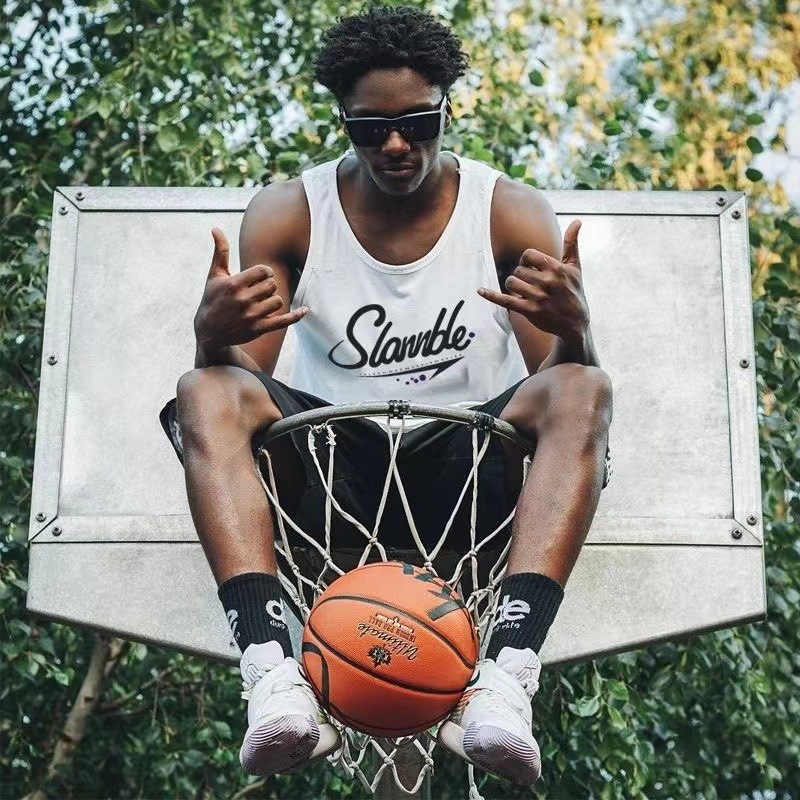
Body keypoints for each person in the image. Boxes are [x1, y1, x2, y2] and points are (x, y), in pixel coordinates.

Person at [159, 4, 612, 787]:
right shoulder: (290, 213)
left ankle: (507, 678)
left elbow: (560, 391)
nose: (396, 145)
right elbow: (239, 387)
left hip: (468, 474)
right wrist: (209, 338)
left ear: (448, 109)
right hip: (333, 476)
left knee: (586, 385)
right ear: (342, 120)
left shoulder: (507, 211)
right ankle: (270, 671)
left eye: (417, 122)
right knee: (202, 389)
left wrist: (578, 332)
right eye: (370, 129)